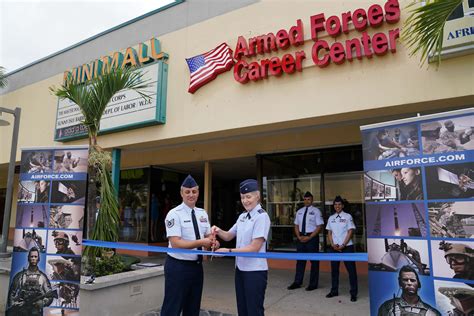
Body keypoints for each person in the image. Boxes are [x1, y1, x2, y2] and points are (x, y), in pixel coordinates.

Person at [212, 179, 270, 316]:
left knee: (254, 310)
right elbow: (228, 236)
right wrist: (218, 230)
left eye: (248, 196)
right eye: (242, 197)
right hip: (240, 269)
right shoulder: (243, 217)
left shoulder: (262, 217)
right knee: (242, 309)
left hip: (255, 271)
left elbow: (255, 247)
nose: (245, 201)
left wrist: (229, 251)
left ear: (258, 196)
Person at [161, 175, 216, 316]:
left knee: (193, 307)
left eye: (194, 191)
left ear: (198, 193)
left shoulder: (202, 213)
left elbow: (207, 236)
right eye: (187, 192)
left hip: (196, 267)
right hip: (177, 267)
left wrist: (213, 241)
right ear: (181, 193)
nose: (191, 195)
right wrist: (201, 243)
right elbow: (175, 243)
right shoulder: (174, 214)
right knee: (172, 307)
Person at [287, 191, 324, 291]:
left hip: (311, 238)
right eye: (305, 199)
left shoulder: (316, 211)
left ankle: (313, 284)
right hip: (300, 237)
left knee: (314, 262)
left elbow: (319, 226)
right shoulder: (299, 211)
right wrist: (298, 236)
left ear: (312, 200)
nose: (307, 201)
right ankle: (297, 282)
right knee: (300, 261)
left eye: (309, 199)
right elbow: (296, 225)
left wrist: (310, 237)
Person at [325, 196, 358, 302]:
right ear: (333, 206)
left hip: (347, 247)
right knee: (334, 271)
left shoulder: (348, 216)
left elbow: (350, 231)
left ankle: (353, 293)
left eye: (339, 204)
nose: (337, 206)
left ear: (342, 206)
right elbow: (329, 233)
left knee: (351, 271)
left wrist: (343, 244)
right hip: (334, 247)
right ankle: (334, 291)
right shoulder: (331, 218)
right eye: (335, 204)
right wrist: (332, 244)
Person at [7, 247, 54, 316]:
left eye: (35, 256)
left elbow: (50, 295)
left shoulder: (43, 277)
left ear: (38, 259)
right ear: (28, 258)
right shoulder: (20, 275)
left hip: (35, 311)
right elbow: (11, 292)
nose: (33, 258)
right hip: (20, 310)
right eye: (31, 256)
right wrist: (14, 304)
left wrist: (42, 303)